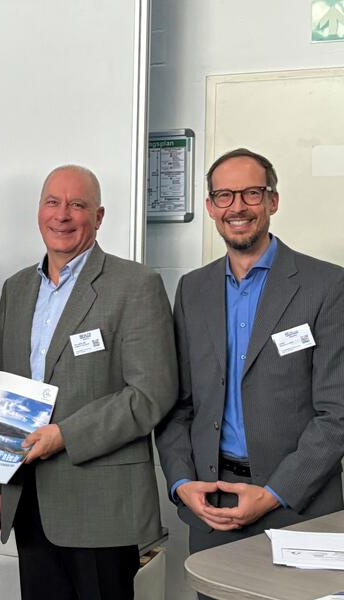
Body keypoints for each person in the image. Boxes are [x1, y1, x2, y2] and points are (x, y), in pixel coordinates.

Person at [0, 165, 177, 600]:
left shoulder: (136, 285)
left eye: (77, 205)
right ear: (39, 211)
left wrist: (65, 435)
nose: (62, 215)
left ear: (99, 217)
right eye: (53, 202)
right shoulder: (16, 289)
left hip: (102, 507)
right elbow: (1, 388)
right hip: (28, 496)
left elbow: (151, 394)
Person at [155, 148, 344, 589]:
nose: (237, 207)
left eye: (251, 193)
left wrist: (274, 493)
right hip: (212, 505)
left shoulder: (327, 285)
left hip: (300, 507)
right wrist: (181, 482)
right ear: (210, 207)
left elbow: (337, 414)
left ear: (273, 200)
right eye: (224, 195)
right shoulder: (192, 289)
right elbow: (177, 404)